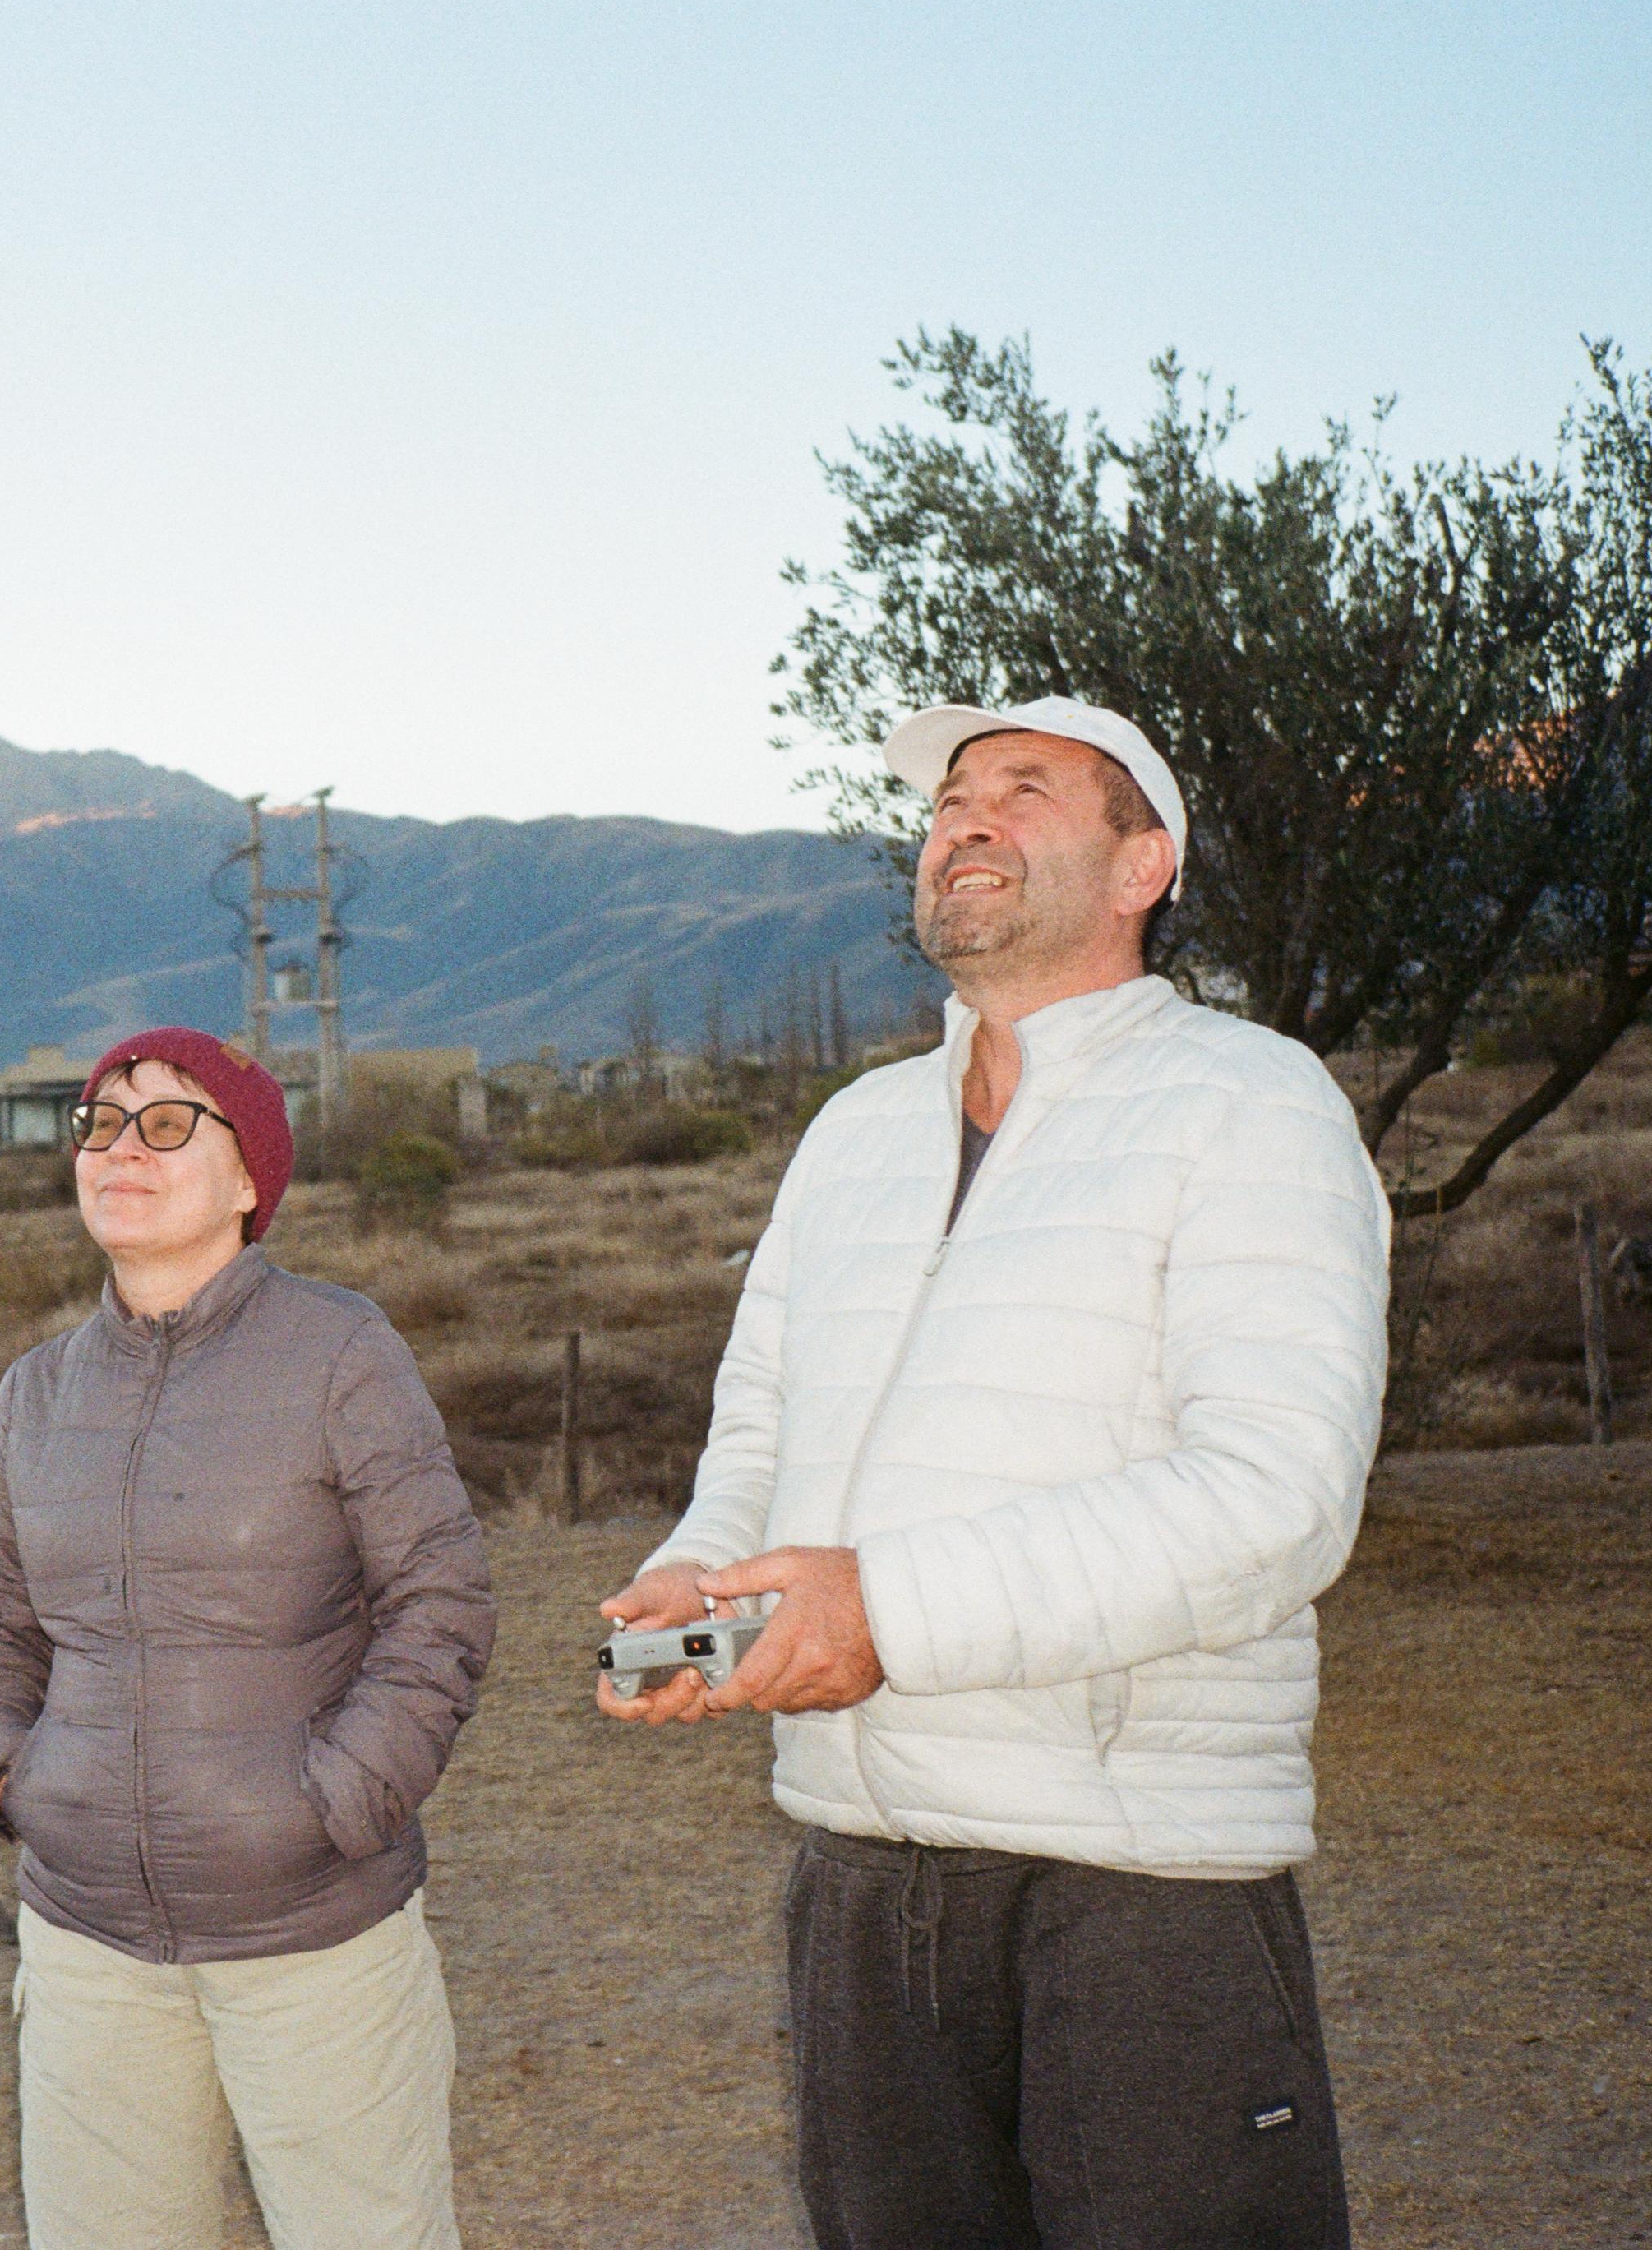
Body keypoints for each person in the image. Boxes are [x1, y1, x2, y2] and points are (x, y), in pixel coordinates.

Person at [600, 698, 1389, 2248]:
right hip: (863, 1875)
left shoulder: (1253, 1100)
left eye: (1022, 790)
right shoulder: (855, 1132)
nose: (962, 818)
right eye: (951, 797)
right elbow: (759, 1431)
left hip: (1138, 1877)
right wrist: (708, 1581)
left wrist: (889, 1609)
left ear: (1140, 865)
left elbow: (1277, 1495)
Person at [0, 1024, 495, 2250]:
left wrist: (333, 1807)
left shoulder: (342, 1352)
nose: (121, 1146)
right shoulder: (37, 1392)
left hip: (313, 1939)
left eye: (170, 1120)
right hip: (86, 1946)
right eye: (101, 1122)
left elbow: (440, 1602)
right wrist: (7, 1772)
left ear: (252, 1180)